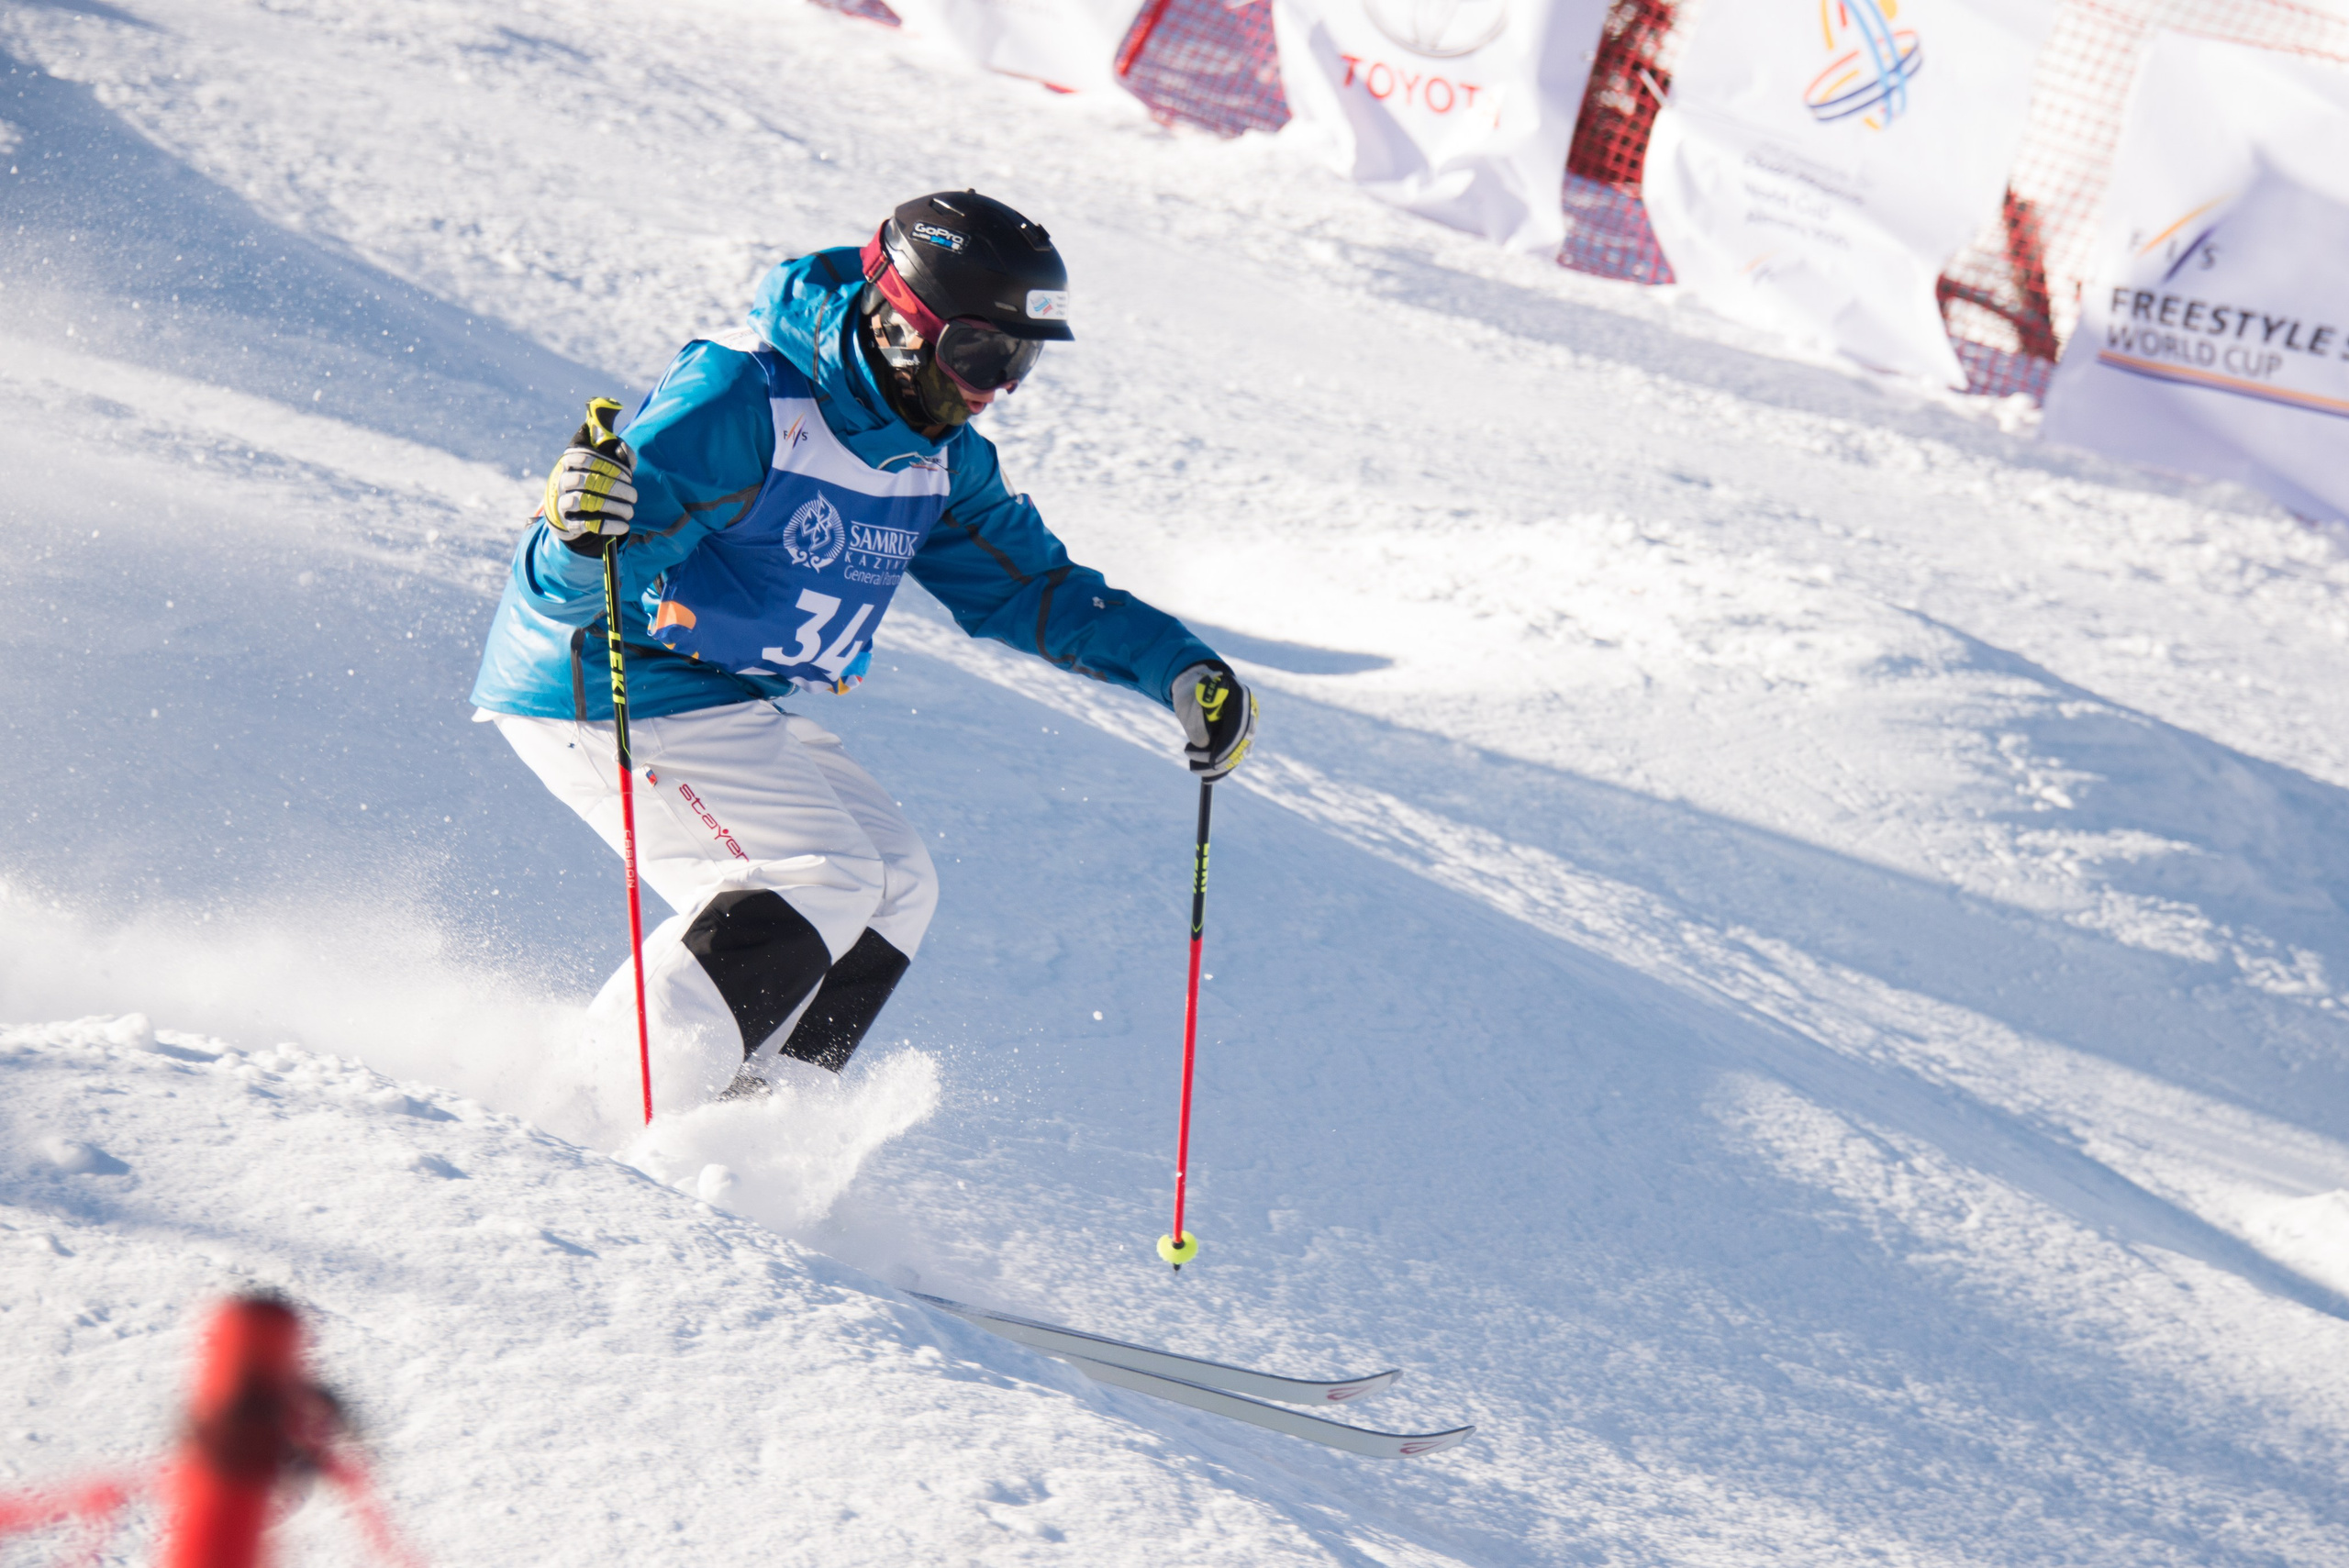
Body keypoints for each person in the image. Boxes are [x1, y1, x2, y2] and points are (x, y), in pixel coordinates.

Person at [470, 191, 1256, 1106]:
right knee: (818, 876)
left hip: (710, 692)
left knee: (892, 883)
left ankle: (756, 1122)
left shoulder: (936, 457)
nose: (991, 388)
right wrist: (573, 532)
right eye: (977, 353)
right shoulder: (746, 400)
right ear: (897, 325)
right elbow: (578, 569)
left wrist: (1176, 665)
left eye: (1019, 363)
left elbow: (1025, 584)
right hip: (606, 679)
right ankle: (598, 1102)